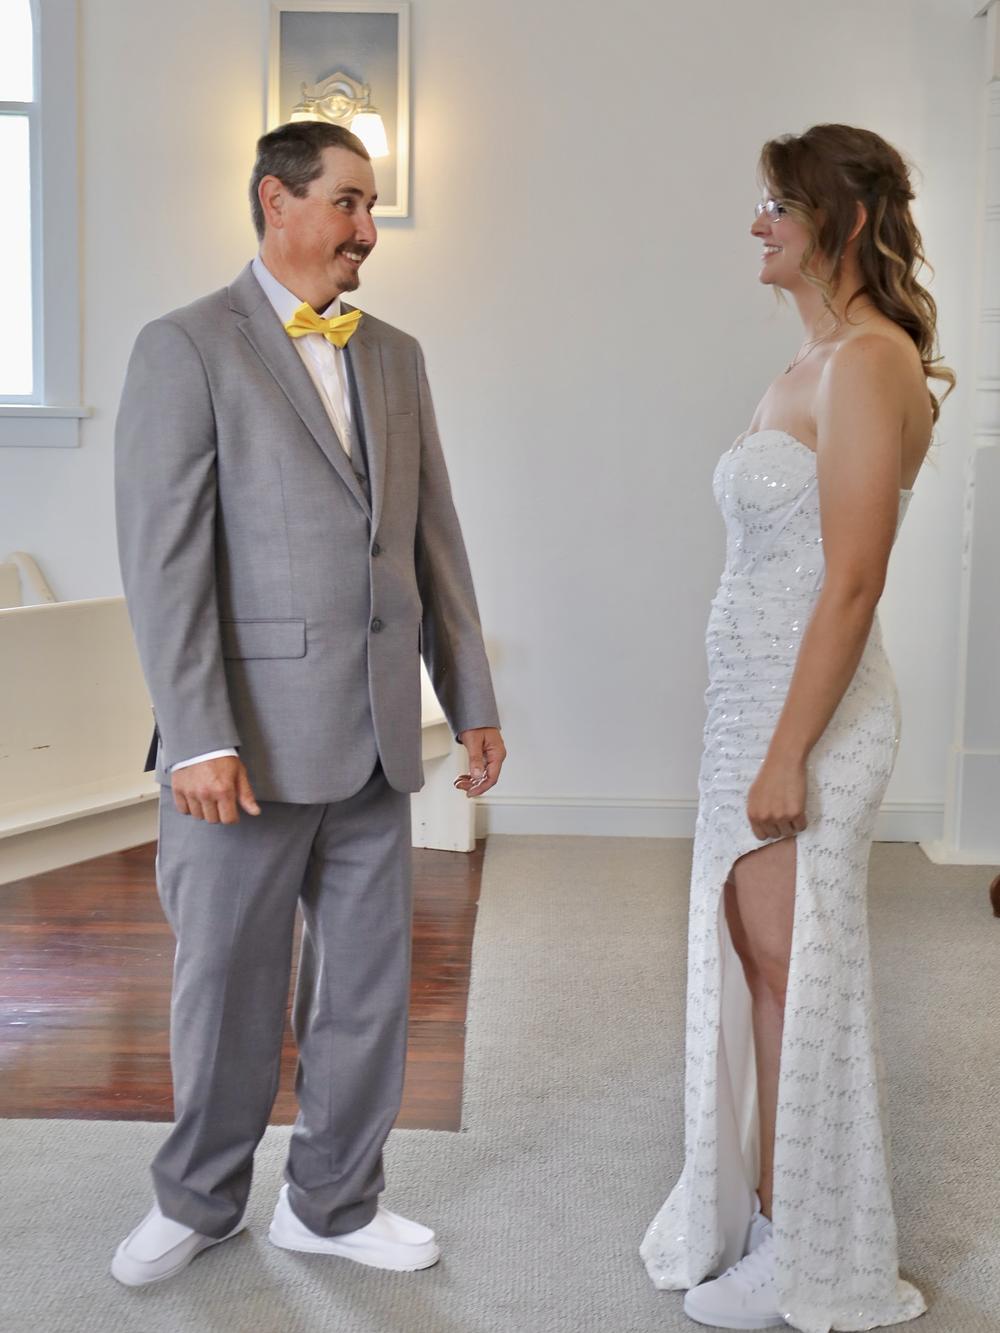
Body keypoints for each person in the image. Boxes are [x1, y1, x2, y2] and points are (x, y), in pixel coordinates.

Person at [111, 120, 505, 1287]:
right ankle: (198, 1199)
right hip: (242, 748)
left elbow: (433, 541)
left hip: (376, 736)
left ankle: (332, 1202)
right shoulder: (185, 346)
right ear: (276, 201)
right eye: (348, 202)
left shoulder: (395, 356)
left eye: (371, 206)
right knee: (227, 989)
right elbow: (165, 561)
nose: (366, 230)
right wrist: (197, 734)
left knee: (367, 991)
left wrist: (469, 697)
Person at [640, 124, 954, 1331]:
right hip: (752, 715)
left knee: (795, 978)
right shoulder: (808, 364)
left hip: (807, 724)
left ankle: (808, 1246)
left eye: (778, 203)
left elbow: (853, 581)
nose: (757, 223)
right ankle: (769, 1214)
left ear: (846, 220)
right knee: (761, 967)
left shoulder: (868, 361)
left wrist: (785, 752)